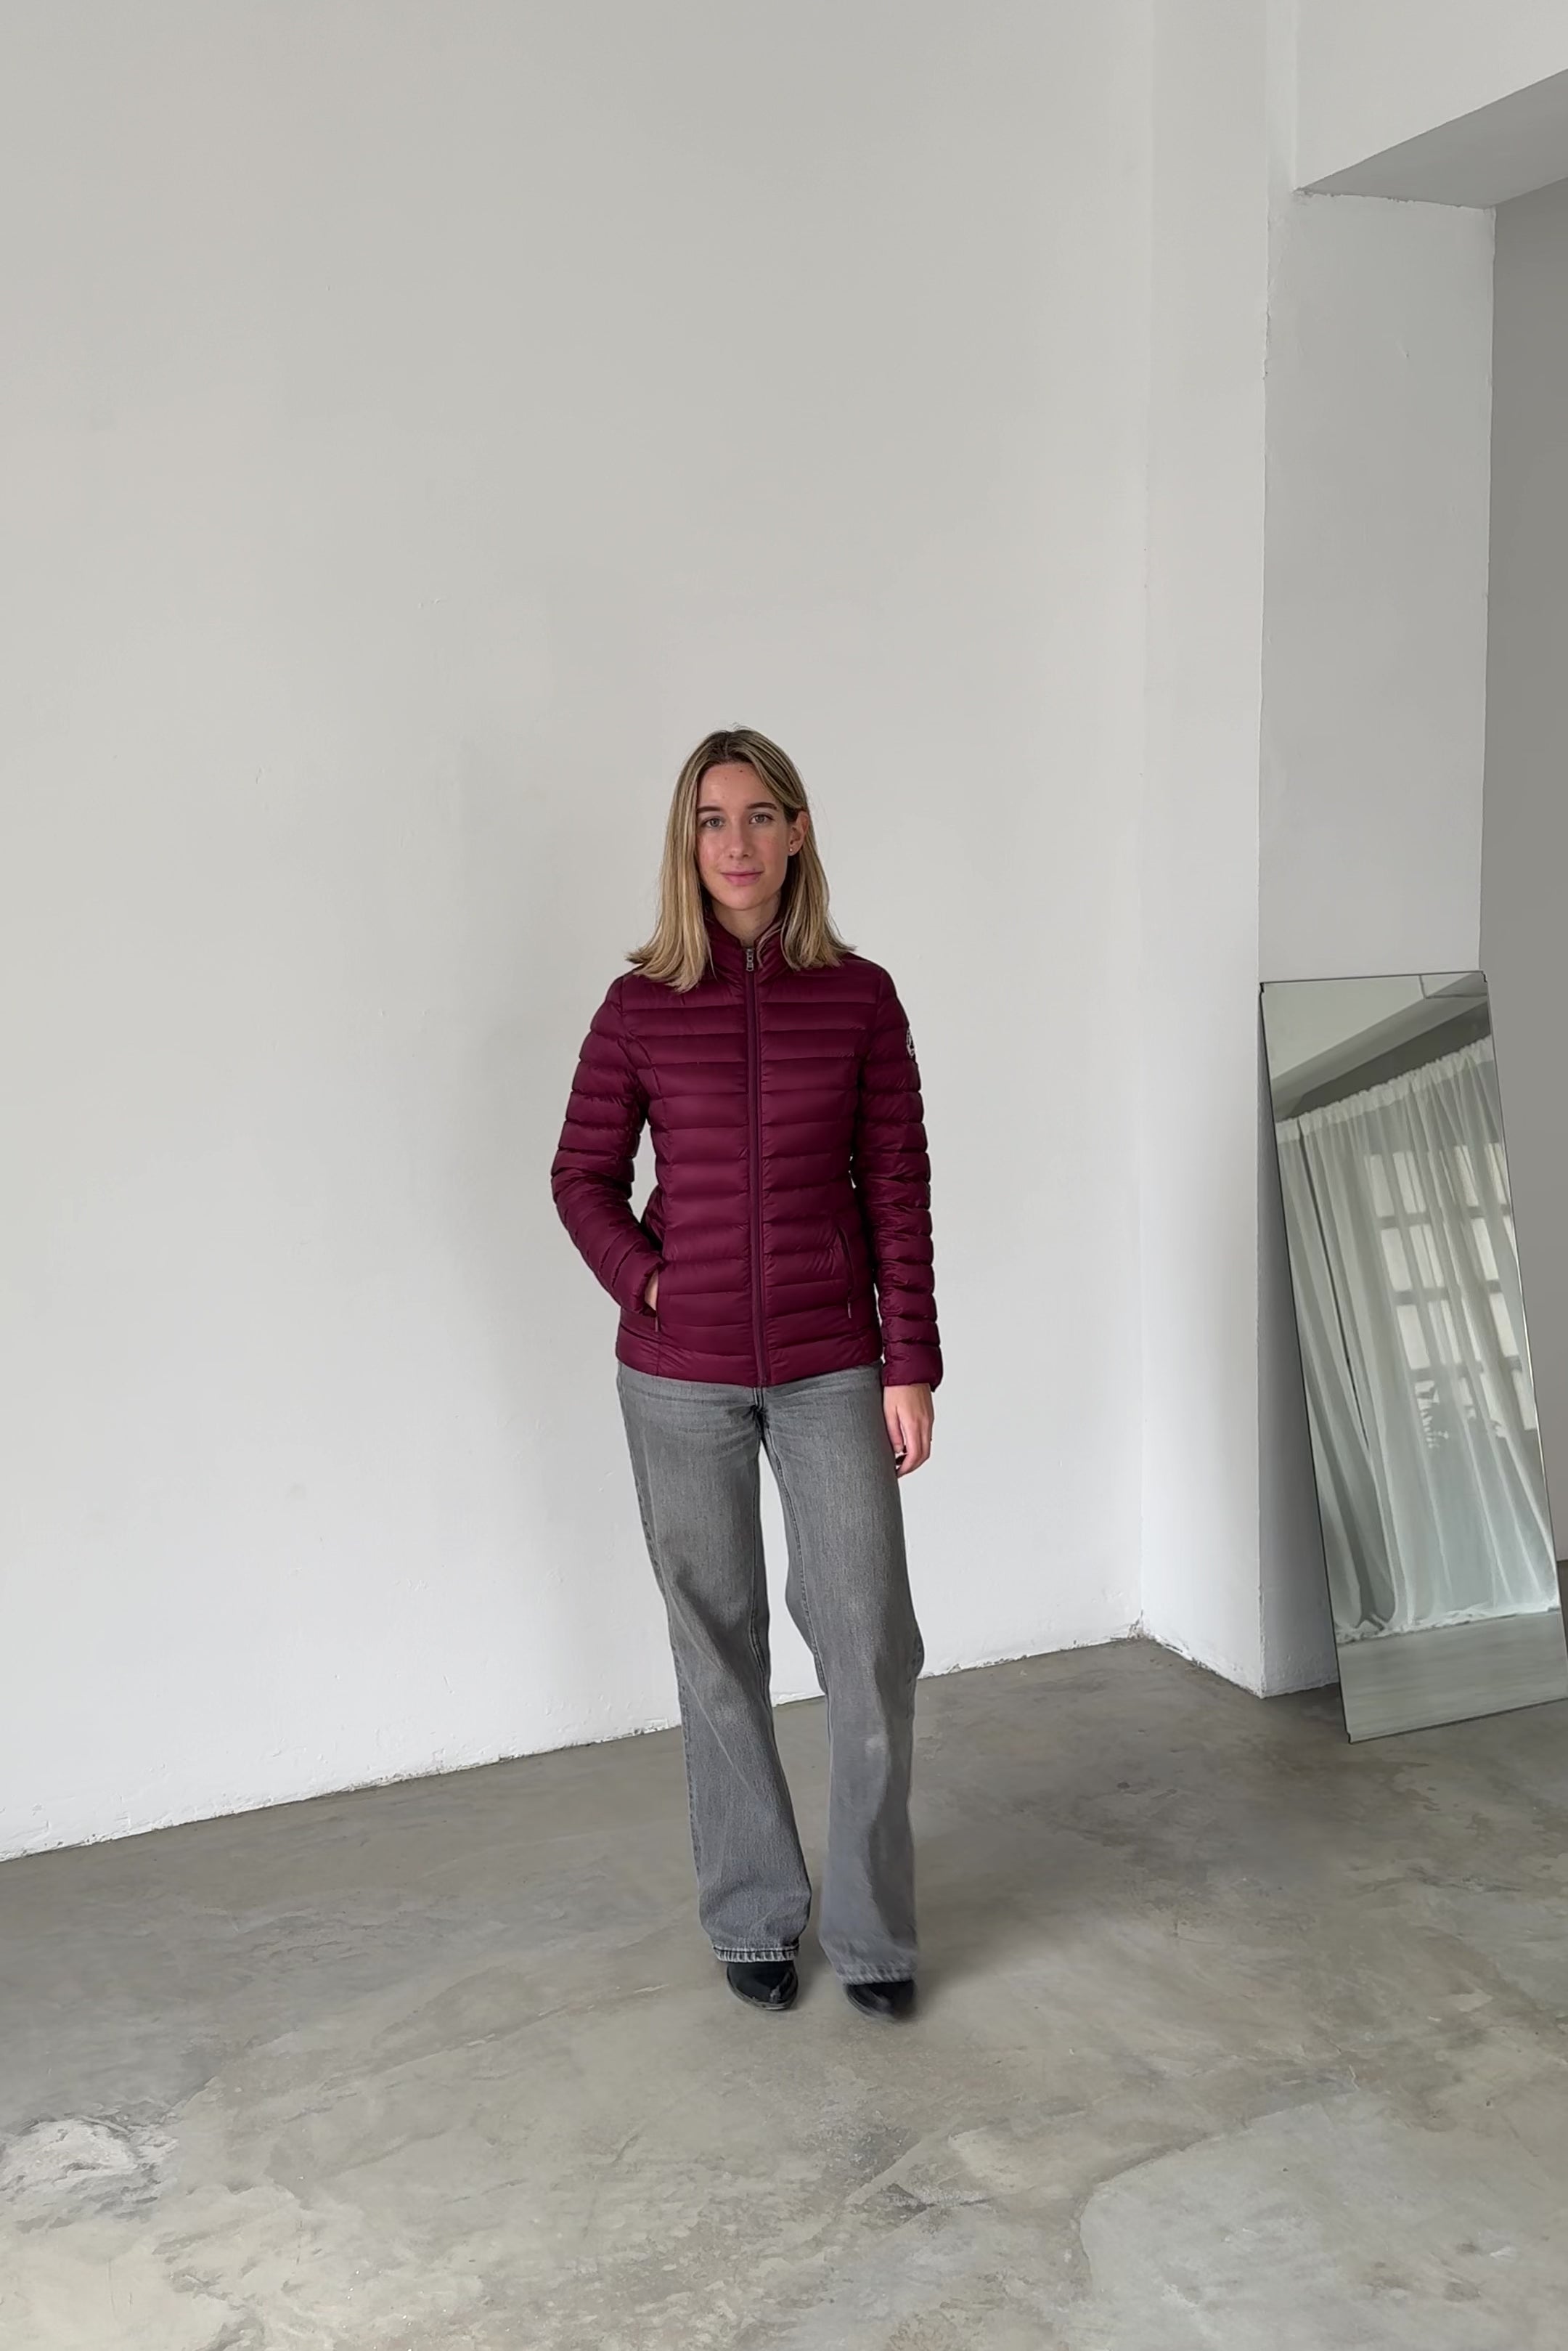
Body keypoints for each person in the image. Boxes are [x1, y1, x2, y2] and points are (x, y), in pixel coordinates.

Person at [550, 727, 941, 2022]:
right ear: (688, 842)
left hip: (833, 1364)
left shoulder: (861, 997)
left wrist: (909, 1362)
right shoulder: (638, 1006)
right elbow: (581, 1175)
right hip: (681, 1379)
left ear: (798, 832)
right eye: (713, 820)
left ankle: (876, 1935)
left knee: (869, 1638)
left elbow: (897, 1186)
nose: (737, 842)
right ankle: (755, 1911)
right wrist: (651, 1281)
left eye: (761, 815)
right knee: (715, 1643)